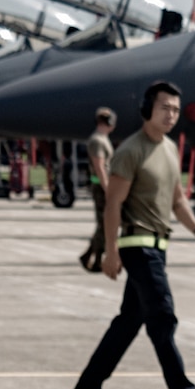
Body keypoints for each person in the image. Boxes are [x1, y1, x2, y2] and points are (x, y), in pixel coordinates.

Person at [70, 82, 195, 389]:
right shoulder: (130, 150)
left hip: (159, 245)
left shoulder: (169, 148)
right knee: (162, 316)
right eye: (165, 108)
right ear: (147, 110)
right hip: (137, 245)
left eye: (176, 109)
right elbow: (113, 204)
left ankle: (88, 387)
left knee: (129, 322)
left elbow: (177, 199)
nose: (171, 114)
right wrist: (111, 251)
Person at [77, 106, 117, 272]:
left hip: (102, 185)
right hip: (100, 187)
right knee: (104, 224)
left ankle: (89, 256)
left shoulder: (102, 139)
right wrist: (107, 188)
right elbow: (99, 166)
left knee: (104, 223)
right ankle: (96, 258)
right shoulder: (98, 141)